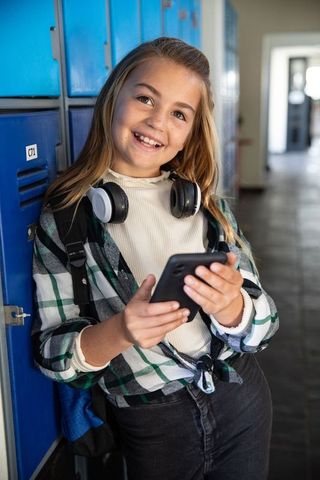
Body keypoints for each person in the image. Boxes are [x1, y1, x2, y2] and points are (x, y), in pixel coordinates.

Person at [32, 37, 279, 480]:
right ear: (113, 97)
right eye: (145, 98)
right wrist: (120, 330)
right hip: (152, 421)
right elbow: (51, 353)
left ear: (189, 133)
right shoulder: (67, 216)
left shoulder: (204, 206)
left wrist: (234, 307)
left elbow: (265, 326)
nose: (156, 122)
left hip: (240, 396)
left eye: (179, 114)